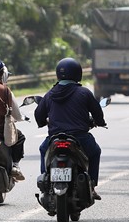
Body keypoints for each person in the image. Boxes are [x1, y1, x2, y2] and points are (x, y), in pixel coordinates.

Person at [34, 57, 106, 199]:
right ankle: (91, 185)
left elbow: (38, 114)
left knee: (43, 150)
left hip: (55, 138)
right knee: (95, 152)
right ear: (77, 73)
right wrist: (100, 122)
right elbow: (97, 112)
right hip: (79, 137)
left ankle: (46, 181)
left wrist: (43, 122)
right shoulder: (84, 93)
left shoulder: (50, 94)